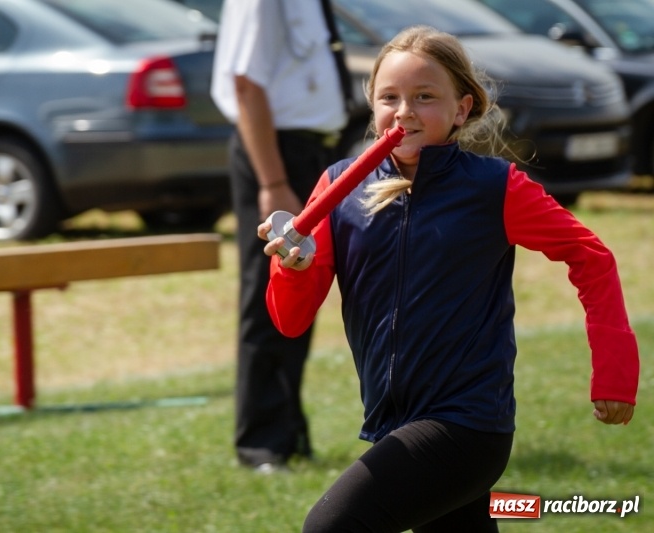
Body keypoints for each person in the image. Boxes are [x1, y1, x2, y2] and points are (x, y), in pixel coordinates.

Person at [258, 25, 639, 531]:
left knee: (331, 528)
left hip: (467, 424)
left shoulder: (495, 187)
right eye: (389, 97)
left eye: (425, 97)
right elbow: (289, 320)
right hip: (393, 420)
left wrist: (614, 373)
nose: (404, 111)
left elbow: (591, 257)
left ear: (462, 109)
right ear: (371, 106)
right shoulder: (338, 188)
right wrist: (292, 265)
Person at [211, 0, 350, 472]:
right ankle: (261, 444)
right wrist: (272, 181)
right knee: (268, 292)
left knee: (302, 287)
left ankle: (288, 433)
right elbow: (246, 84)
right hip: (276, 154)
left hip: (306, 150)